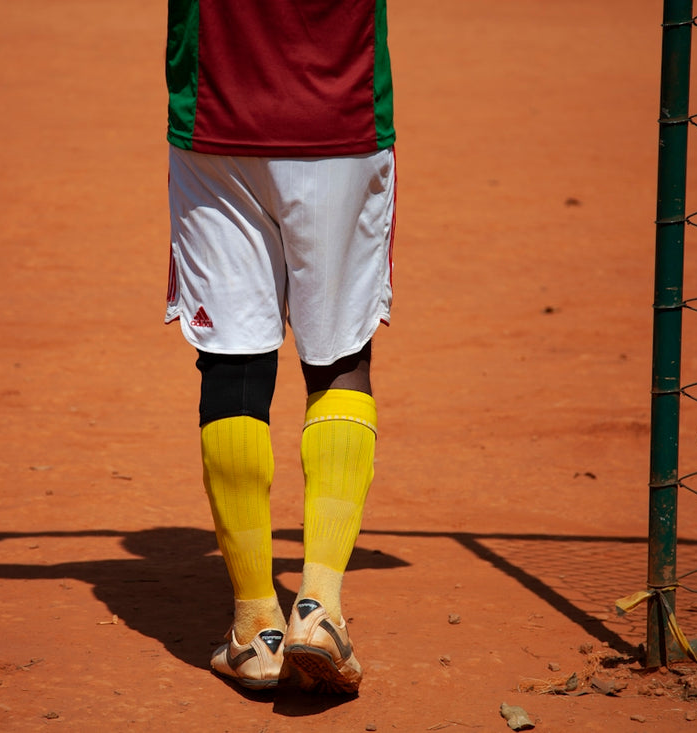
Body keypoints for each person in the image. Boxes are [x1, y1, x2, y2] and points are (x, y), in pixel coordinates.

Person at [163, 0, 397, 694]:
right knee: (340, 358)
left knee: (233, 356)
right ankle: (318, 608)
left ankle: (255, 627)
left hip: (218, 113)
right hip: (341, 112)